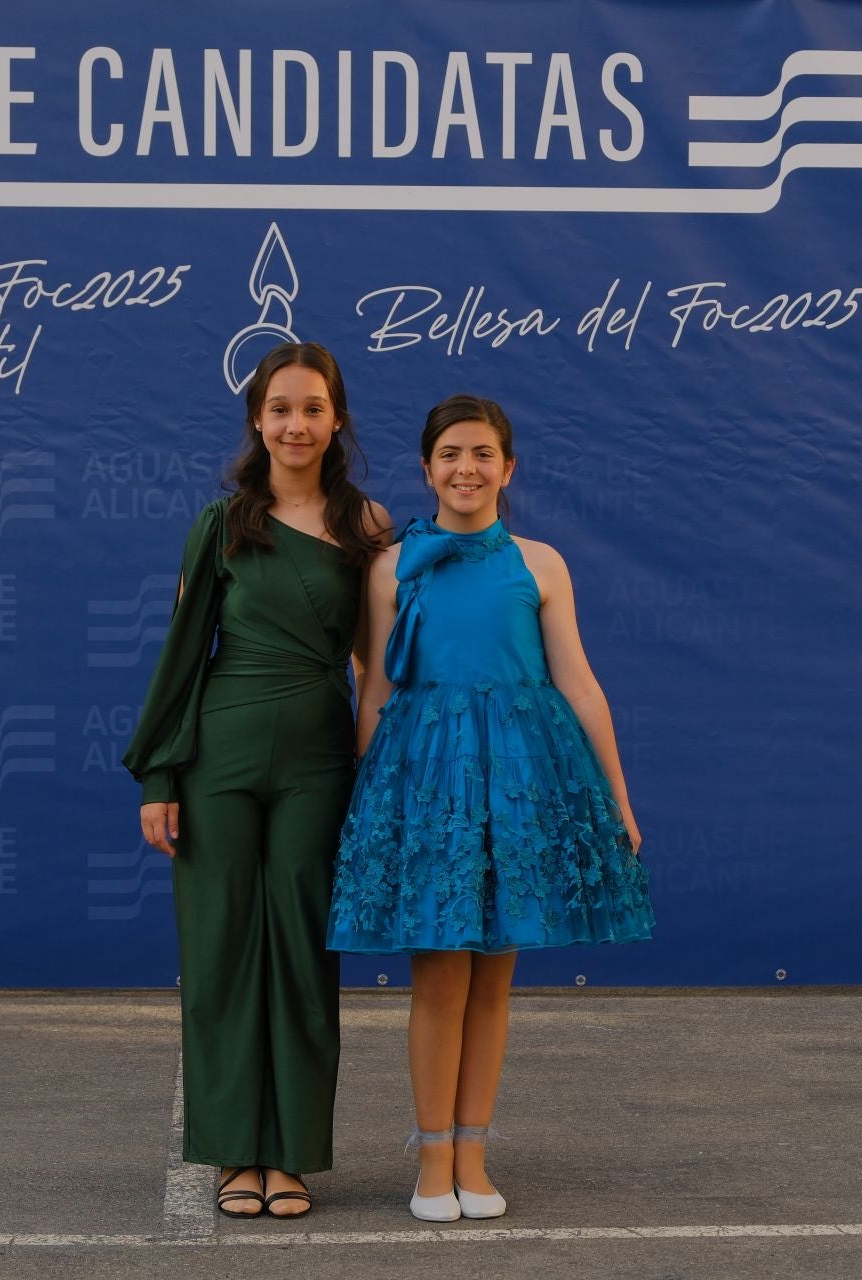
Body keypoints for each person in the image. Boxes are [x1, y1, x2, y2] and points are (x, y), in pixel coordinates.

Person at [329, 394, 654, 1222]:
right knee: (438, 976)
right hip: (426, 785)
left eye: (482, 454)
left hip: (520, 783)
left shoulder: (541, 563)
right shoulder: (389, 565)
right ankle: (432, 1159)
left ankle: (475, 1151)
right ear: (426, 467)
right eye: (449, 454)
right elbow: (373, 691)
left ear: (508, 469)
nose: (465, 468)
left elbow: (577, 684)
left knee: (494, 982)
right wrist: (368, 806)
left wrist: (615, 794)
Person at [123, 342, 390, 1221]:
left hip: (319, 763)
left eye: (313, 408)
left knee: (307, 956)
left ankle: (293, 1159)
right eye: (280, 408)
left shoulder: (369, 528)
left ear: (337, 419)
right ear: (257, 420)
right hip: (218, 761)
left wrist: (374, 776)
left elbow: (376, 669)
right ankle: (236, 1153)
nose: (296, 424)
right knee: (221, 954)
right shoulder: (220, 524)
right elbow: (181, 656)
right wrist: (160, 774)